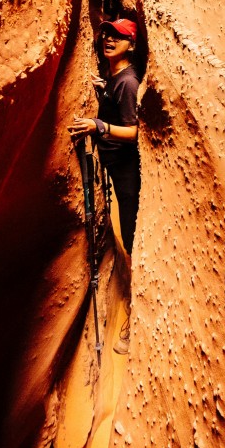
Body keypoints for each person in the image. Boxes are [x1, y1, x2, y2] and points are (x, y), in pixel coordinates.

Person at [72, 18, 141, 354]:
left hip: (128, 176)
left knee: (131, 242)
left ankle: (135, 316)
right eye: (107, 34)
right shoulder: (116, 78)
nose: (109, 39)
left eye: (119, 36)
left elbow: (134, 132)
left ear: (132, 44)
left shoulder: (128, 82)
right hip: (115, 170)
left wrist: (98, 125)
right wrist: (103, 92)